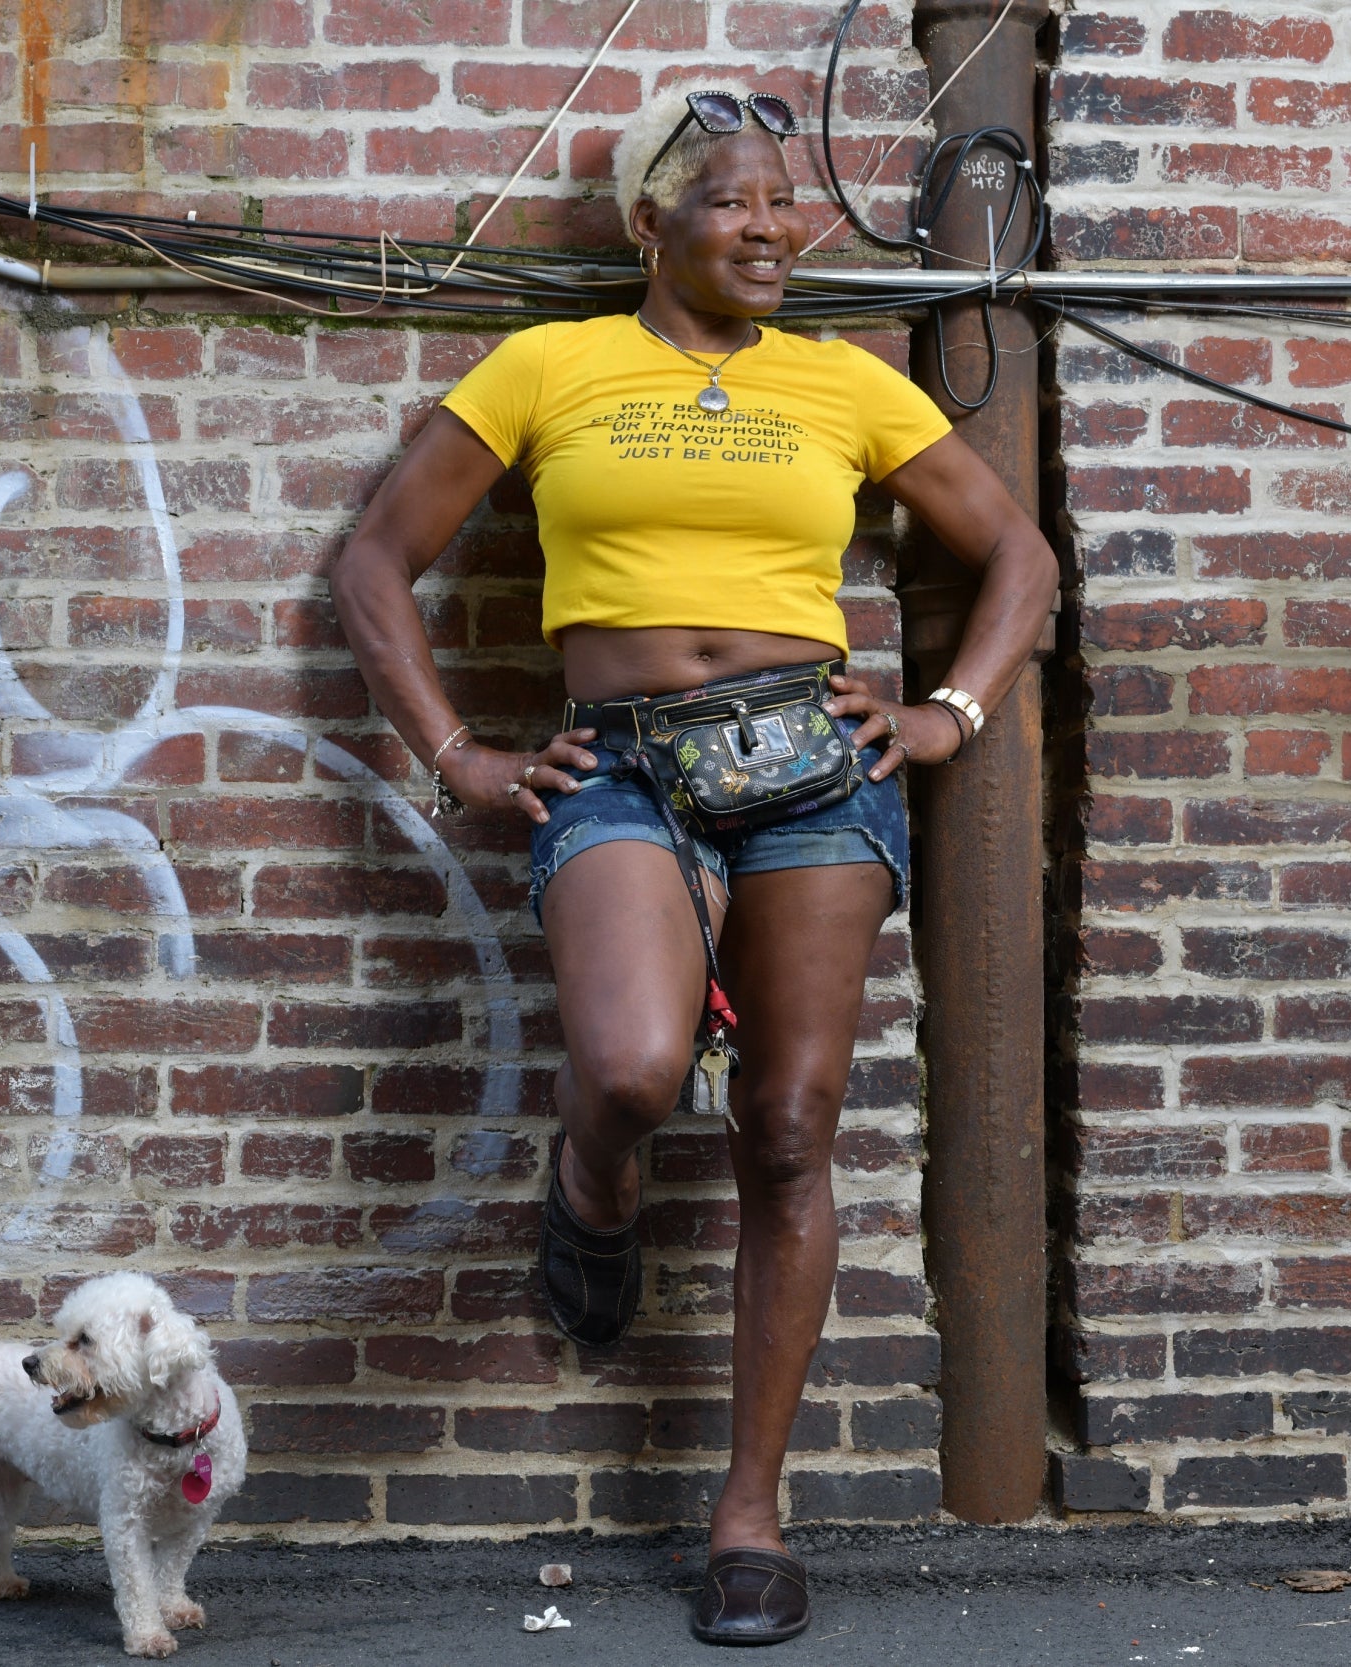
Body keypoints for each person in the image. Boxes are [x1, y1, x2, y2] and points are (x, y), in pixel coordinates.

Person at [328, 83, 1059, 1645]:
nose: (772, 225)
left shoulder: (843, 384)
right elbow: (376, 559)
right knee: (640, 1066)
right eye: (732, 199)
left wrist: (946, 713)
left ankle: (748, 1513)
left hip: (813, 770)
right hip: (625, 767)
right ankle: (591, 1189)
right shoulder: (552, 367)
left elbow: (1020, 557)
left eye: (785, 202)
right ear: (649, 222)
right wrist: (456, 752)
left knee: (792, 1127)